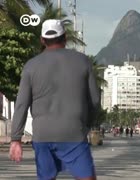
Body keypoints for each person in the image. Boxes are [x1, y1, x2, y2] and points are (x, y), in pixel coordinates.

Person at [9, 19, 100, 180]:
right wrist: (85, 126)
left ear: (42, 40)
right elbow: (95, 101)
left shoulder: (31, 66)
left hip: (43, 135)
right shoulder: (82, 61)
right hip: (73, 133)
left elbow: (21, 105)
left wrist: (16, 139)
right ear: (65, 37)